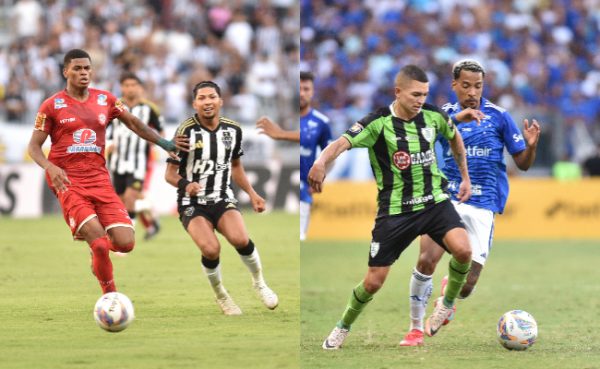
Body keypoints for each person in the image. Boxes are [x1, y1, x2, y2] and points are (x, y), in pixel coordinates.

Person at [309, 64, 473, 350]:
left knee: (464, 250)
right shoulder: (377, 122)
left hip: (434, 201)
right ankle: (343, 326)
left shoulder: (434, 115)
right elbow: (341, 143)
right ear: (398, 92)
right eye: (415, 94)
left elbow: (454, 137)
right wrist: (320, 162)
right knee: (373, 282)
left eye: (424, 94)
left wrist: (465, 177)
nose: (420, 100)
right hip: (395, 212)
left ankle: (446, 305)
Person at [399, 59, 541, 347]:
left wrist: (531, 145)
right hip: (446, 198)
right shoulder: (442, 115)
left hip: (484, 203)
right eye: (466, 86)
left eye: (478, 86)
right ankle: (414, 330)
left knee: (467, 285)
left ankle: (447, 301)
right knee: (427, 259)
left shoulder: (500, 117)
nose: (472, 92)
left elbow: (523, 164)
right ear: (454, 85)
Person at [27, 49, 187, 295]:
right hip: (68, 181)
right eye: (78, 68)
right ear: (65, 71)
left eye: (87, 68)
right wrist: (50, 166)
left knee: (126, 243)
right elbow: (34, 147)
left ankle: (98, 252)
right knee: (100, 244)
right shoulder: (52, 105)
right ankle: (110, 296)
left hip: (100, 179)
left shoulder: (106, 100)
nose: (84, 73)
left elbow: (134, 123)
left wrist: (164, 144)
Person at [165, 80, 278, 315]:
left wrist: (253, 194)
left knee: (240, 239)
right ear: (194, 103)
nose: (207, 102)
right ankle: (222, 295)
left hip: (222, 197)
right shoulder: (185, 131)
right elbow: (170, 174)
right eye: (202, 98)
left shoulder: (233, 130)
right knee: (211, 249)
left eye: (212, 97)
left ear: (220, 101)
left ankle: (260, 283)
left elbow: (236, 166)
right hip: (192, 203)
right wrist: (187, 184)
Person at [106, 72, 164, 240]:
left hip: (138, 161)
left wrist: (153, 141)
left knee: (131, 198)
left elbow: (161, 131)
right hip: (117, 161)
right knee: (122, 200)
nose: (130, 88)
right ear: (122, 87)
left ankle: (126, 240)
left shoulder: (149, 109)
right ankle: (151, 213)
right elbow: (104, 128)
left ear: (140, 88)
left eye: (134, 85)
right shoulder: (113, 106)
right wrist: (109, 143)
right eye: (127, 85)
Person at [299, 71, 332, 241]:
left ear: (312, 92)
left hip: (304, 188)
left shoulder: (321, 122)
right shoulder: (283, 119)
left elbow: (331, 155)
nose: (302, 93)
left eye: (306, 89)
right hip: (283, 183)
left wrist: (320, 178)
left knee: (300, 237)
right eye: (299, 88)